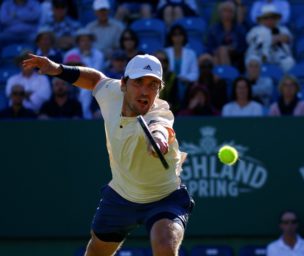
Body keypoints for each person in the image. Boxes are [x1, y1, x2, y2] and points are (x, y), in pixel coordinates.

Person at [23, 53, 194, 256]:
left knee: (165, 245)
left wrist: (158, 139)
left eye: (152, 85)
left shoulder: (159, 113)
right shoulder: (112, 93)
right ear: (123, 84)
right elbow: (95, 79)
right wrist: (58, 69)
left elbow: (161, 127)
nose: (145, 91)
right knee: (96, 251)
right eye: (138, 82)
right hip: (121, 195)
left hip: (164, 197)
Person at [246, 4, 295, 72]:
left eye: (272, 17)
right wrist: (274, 38)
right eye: (266, 18)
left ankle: (284, 81)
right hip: (260, 55)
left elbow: (287, 38)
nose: (270, 20)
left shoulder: (282, 29)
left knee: (289, 61)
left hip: (278, 55)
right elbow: (250, 40)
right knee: (253, 60)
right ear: (261, 20)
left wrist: (267, 40)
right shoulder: (255, 30)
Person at [206, 1, 247, 70]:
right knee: (216, 57)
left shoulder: (239, 29)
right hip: (217, 56)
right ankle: (222, 77)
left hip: (236, 58)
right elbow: (209, 46)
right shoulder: (213, 28)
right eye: (225, 11)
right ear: (220, 13)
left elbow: (243, 46)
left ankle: (227, 76)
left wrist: (232, 49)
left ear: (234, 14)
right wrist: (216, 51)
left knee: (223, 50)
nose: (227, 14)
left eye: (230, 11)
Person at [164, 24, 199, 104]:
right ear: (171, 37)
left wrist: (183, 78)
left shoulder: (191, 53)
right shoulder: (165, 52)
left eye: (180, 34)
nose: (178, 37)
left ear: (184, 37)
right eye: (175, 35)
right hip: (168, 85)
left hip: (185, 84)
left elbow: (195, 74)